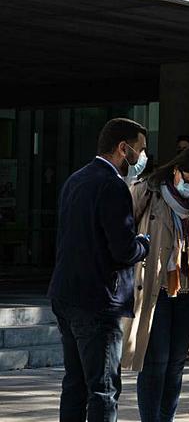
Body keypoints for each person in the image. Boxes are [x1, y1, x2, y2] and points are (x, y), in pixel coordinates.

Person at [47, 118, 151, 421]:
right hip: (97, 301)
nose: (142, 157)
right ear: (123, 148)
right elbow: (123, 250)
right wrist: (143, 243)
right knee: (103, 388)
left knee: (76, 383)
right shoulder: (113, 186)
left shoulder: (76, 179)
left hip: (67, 294)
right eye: (140, 149)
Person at [122, 146, 189, 421]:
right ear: (175, 170)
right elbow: (124, 230)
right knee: (155, 363)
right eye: (187, 180)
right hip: (156, 288)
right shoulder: (149, 191)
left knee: (176, 364)